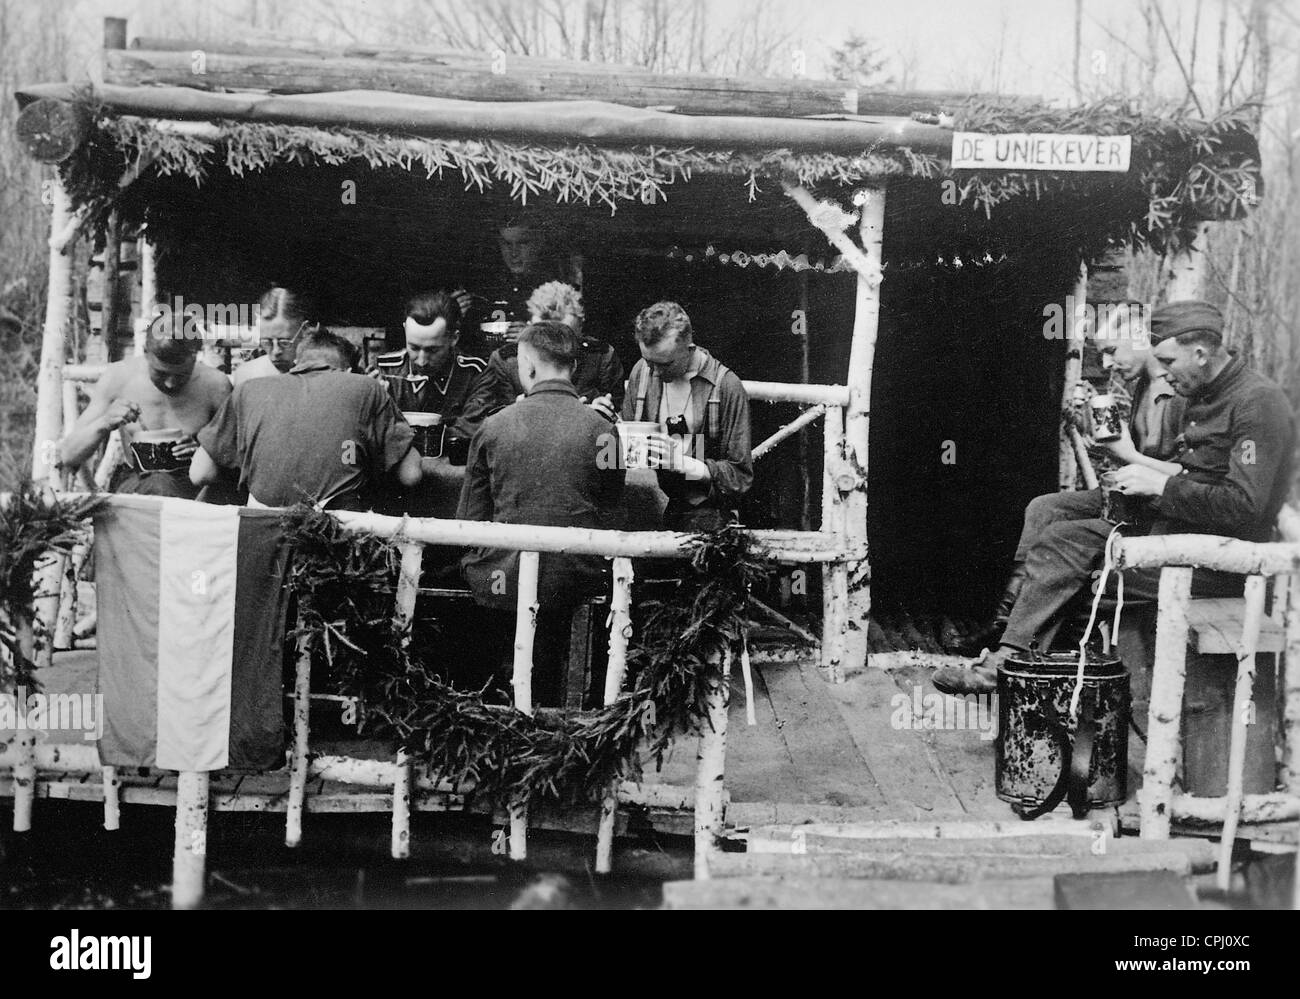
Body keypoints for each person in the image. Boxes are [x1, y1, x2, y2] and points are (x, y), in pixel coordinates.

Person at [934, 300, 1296, 695]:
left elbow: (1244, 507)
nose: (1164, 374)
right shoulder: (1203, 390)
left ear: (1200, 353)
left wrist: (1158, 485)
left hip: (1216, 561)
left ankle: (1023, 671)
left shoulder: (1257, 403)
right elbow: (1193, 472)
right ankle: (1016, 658)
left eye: (1168, 361)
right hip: (1174, 531)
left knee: (1074, 570)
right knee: (1060, 534)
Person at [961, 302, 1186, 653]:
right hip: (1134, 497)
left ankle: (1018, 640)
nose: (1108, 364)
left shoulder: (1181, 392)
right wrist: (1091, 422)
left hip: (1159, 512)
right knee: (1044, 508)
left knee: (1059, 535)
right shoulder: (1144, 384)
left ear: (1141, 339)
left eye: (1112, 351)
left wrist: (1130, 458)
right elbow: (1129, 449)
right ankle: (1006, 621)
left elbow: (1183, 474)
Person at [457, 320, 625, 705]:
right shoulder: (604, 431)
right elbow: (614, 516)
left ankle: (484, 696)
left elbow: (468, 520)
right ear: (576, 368)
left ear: (528, 367)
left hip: (501, 581)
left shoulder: (493, 427)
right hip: (574, 581)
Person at [191, 327, 421, 510]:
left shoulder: (248, 389)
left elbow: (200, 473)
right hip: (339, 533)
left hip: (263, 527)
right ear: (350, 372)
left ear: (297, 365)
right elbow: (411, 475)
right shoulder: (366, 387)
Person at [60, 311, 231, 499]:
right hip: (136, 480)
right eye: (161, 373)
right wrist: (105, 422)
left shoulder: (215, 386)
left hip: (195, 486)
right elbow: (69, 454)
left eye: (181, 374)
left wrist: (203, 451)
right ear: (145, 353)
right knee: (159, 485)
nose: (170, 383)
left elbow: (233, 457)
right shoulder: (119, 377)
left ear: (195, 357)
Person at [621, 301, 753, 531]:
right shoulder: (641, 373)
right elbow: (622, 454)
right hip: (648, 504)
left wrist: (685, 465)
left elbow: (740, 476)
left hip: (705, 510)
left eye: (665, 364)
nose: (655, 372)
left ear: (690, 349)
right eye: (648, 361)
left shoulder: (726, 386)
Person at [459, 281, 624, 432]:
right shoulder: (506, 361)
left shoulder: (602, 356)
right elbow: (490, 421)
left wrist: (603, 414)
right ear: (530, 327)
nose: (557, 349)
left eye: (567, 337)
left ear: (581, 326)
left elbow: (620, 418)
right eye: (545, 341)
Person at [370, 291, 485, 459]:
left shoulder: (475, 374)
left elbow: (470, 431)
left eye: (432, 350)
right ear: (405, 331)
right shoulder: (383, 370)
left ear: (454, 338)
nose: (422, 361)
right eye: (414, 348)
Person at [232, 287, 318, 386]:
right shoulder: (246, 376)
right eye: (267, 342)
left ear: (304, 330)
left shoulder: (324, 377)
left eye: (284, 342)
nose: (276, 352)